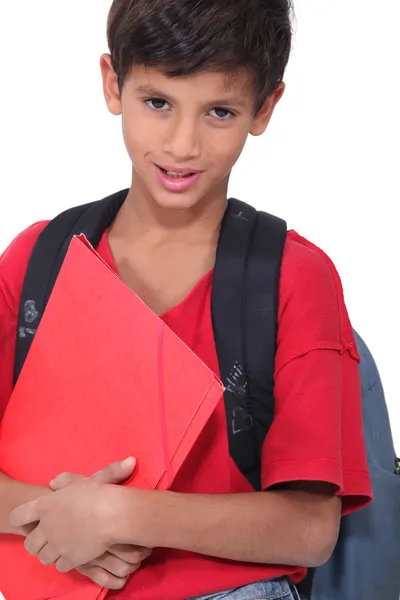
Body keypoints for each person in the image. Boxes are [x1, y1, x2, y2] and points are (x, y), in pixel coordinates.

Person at [0, 1, 373, 599]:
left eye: (219, 111)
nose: (182, 143)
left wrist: (120, 517)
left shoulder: (295, 278)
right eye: (158, 103)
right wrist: (66, 517)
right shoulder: (37, 261)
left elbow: (309, 528)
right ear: (112, 83)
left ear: (265, 108)